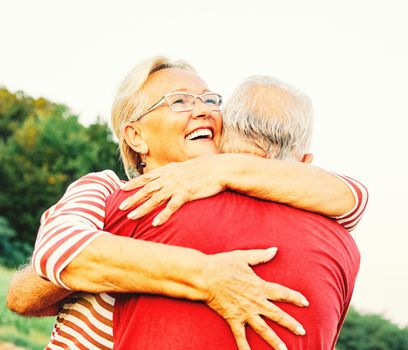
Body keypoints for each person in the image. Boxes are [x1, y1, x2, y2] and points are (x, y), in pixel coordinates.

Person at [6, 57, 367, 350]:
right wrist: (208, 275)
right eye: (179, 101)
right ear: (136, 136)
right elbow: (57, 252)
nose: (204, 110)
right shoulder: (108, 190)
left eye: (210, 99)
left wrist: (224, 168)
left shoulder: (245, 195)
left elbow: (354, 198)